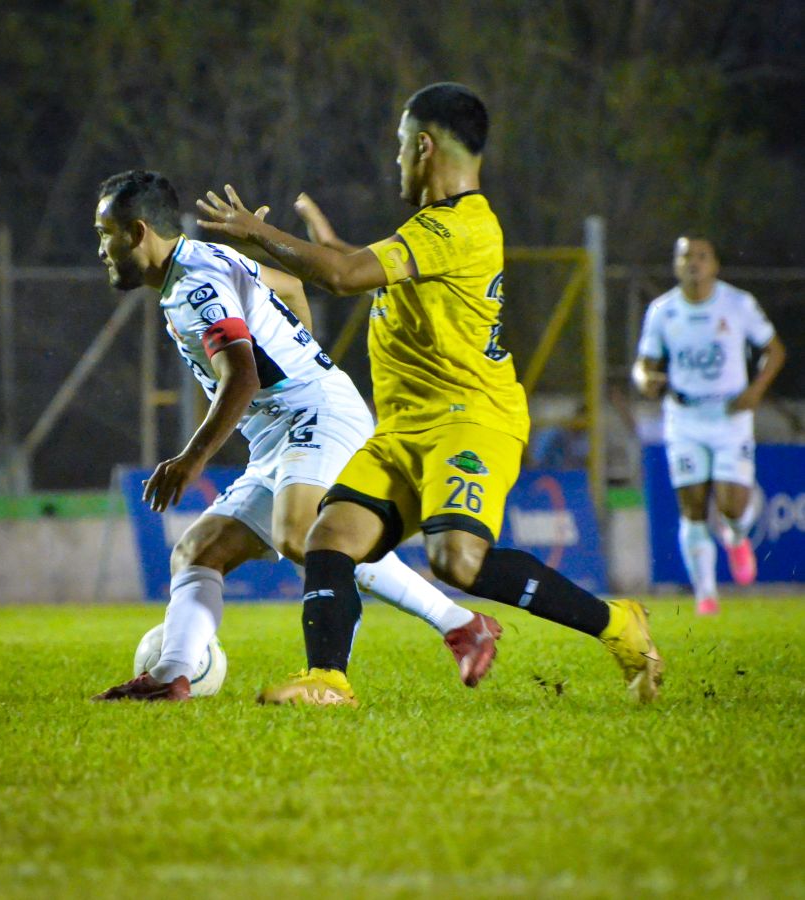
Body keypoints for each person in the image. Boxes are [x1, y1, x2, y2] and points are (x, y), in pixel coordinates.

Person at [196, 82, 663, 706]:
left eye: (397, 146)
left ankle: (618, 624)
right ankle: (328, 680)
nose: (394, 160)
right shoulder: (433, 229)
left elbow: (342, 277)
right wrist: (317, 248)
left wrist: (259, 234)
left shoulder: (463, 225)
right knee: (329, 537)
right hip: (404, 428)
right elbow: (359, 267)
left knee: (458, 562)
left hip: (470, 422)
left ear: (422, 145)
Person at [90, 169, 503, 702]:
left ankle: (425, 638)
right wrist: (302, 349)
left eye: (107, 234)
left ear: (139, 232)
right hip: (283, 429)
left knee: (303, 532)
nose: (102, 248)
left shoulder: (194, 286)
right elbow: (287, 285)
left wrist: (190, 460)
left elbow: (242, 377)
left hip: (316, 416)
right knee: (198, 550)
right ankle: (171, 677)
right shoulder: (204, 259)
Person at [632, 234, 786, 615]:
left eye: (702, 256)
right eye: (686, 257)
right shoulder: (662, 311)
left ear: (714, 264)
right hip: (684, 417)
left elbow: (774, 350)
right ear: (676, 265)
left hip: (730, 416)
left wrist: (755, 391)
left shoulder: (737, 304)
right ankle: (706, 596)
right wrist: (643, 380)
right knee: (693, 506)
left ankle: (736, 537)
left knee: (733, 504)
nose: (694, 263)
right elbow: (644, 363)